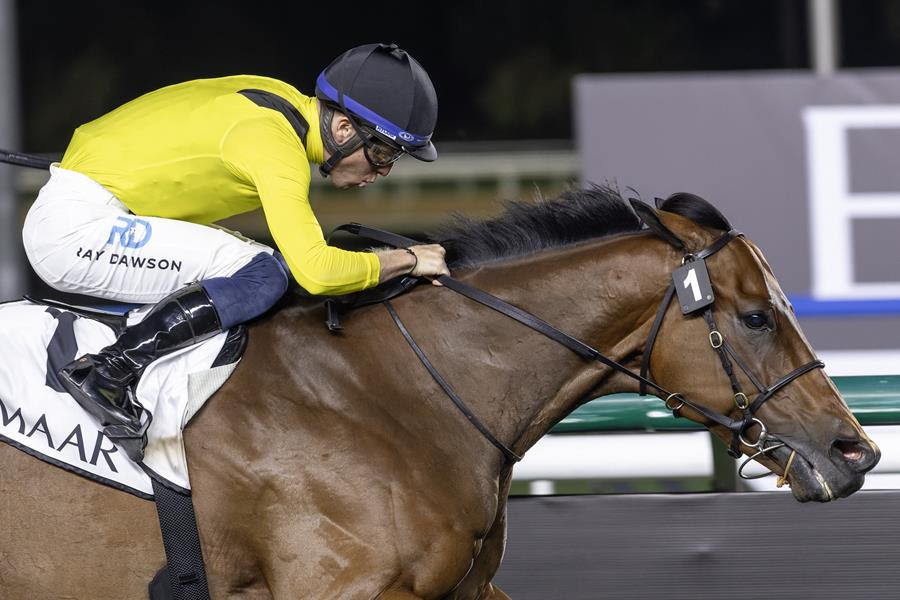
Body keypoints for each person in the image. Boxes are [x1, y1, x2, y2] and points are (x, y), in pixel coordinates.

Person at [21, 42, 449, 460]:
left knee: (262, 270)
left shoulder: (280, 99)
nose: (382, 172)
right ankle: (108, 372)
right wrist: (408, 259)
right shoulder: (275, 147)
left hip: (91, 203)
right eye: (381, 153)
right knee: (264, 273)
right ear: (342, 130)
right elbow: (318, 273)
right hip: (76, 229)